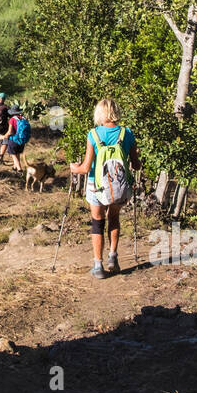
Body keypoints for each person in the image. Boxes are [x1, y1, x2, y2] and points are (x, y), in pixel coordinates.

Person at [68, 97, 142, 279]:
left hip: (96, 185)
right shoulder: (127, 133)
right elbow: (136, 165)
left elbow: (85, 168)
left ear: (99, 113)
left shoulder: (93, 134)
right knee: (114, 218)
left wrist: (73, 168)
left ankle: (98, 265)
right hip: (119, 183)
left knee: (97, 222)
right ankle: (113, 257)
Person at [3, 105, 31, 172]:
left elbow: (10, 132)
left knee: (13, 155)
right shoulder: (23, 118)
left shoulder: (12, 119)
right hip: (22, 140)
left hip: (14, 140)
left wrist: (4, 136)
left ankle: (19, 169)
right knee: (17, 153)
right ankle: (15, 168)